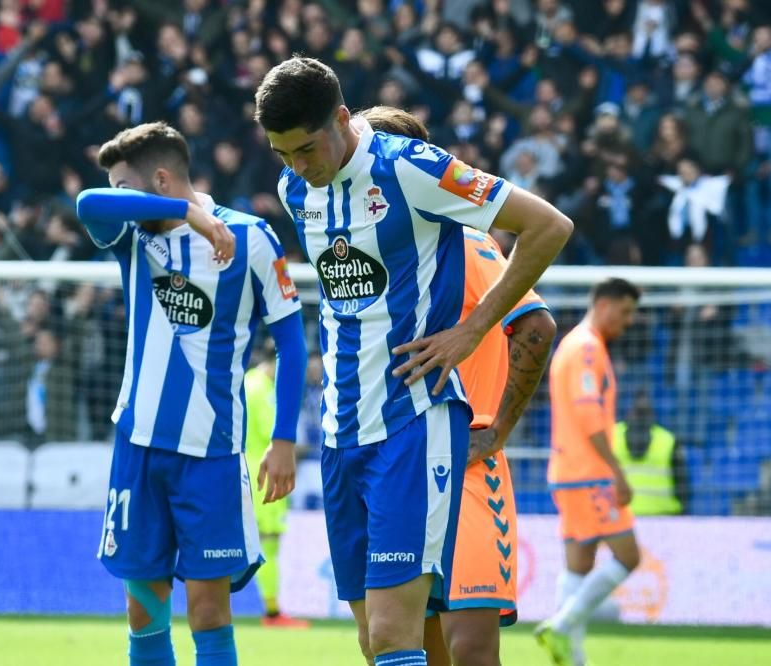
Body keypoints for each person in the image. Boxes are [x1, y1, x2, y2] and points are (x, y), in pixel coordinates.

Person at [255, 57, 573, 666]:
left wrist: (471, 330)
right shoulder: (296, 189)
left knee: (401, 632)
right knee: (375, 640)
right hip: (341, 431)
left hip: (413, 422)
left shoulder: (410, 168)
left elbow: (548, 226)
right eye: (281, 153)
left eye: (305, 148)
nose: (297, 165)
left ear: (342, 119)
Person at [75, 121, 307, 666]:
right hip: (138, 447)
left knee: (209, 611)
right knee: (144, 613)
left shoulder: (251, 237)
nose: (116, 198)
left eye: (123, 187)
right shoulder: (134, 233)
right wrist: (186, 213)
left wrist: (283, 439)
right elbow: (88, 204)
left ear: (160, 179)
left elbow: (292, 344)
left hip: (213, 454)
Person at [358, 106, 558, 666]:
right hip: (401, 460)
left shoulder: (464, 244)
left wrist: (496, 430)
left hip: (466, 464)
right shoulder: (381, 255)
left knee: (470, 652)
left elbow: (536, 326)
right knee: (406, 645)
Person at [535, 278, 642, 666]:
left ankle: (572, 658)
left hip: (567, 470)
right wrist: (616, 471)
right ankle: (563, 624)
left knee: (579, 564)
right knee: (629, 556)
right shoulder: (586, 348)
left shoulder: (572, 345)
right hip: (589, 474)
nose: (628, 321)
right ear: (603, 303)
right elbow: (587, 412)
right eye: (625, 311)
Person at [244, 339, 311, 629]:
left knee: (259, 544)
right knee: (268, 546)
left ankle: (270, 610)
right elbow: (274, 434)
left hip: (249, 472)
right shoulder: (263, 389)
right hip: (263, 475)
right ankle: (272, 614)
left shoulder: (248, 382)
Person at [612, 390, 688, 516]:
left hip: (621, 516)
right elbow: (683, 486)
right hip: (664, 517)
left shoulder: (612, 435)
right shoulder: (668, 440)